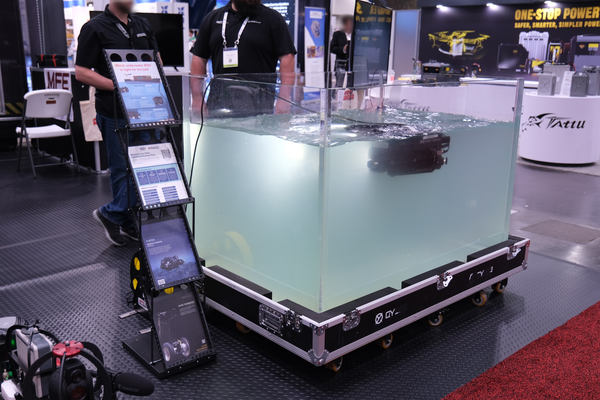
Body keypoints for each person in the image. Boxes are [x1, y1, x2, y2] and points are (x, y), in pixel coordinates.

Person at [75, 0, 159, 246]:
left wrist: (155, 82)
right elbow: (81, 72)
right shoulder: (94, 27)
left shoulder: (142, 25)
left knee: (142, 167)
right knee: (122, 169)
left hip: (144, 108)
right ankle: (112, 213)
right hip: (114, 111)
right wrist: (119, 86)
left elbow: (156, 59)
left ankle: (124, 219)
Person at [190, 0, 296, 115]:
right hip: (218, 105)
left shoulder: (272, 18)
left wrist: (284, 98)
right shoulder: (213, 18)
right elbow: (199, 58)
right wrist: (197, 98)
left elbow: (287, 57)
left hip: (259, 107)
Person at [330, 16, 353, 87]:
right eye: (349, 24)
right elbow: (332, 48)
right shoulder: (337, 34)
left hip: (353, 66)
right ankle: (337, 93)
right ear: (345, 24)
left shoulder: (356, 34)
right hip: (340, 65)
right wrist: (343, 49)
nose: (350, 26)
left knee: (350, 87)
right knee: (339, 86)